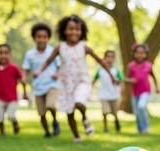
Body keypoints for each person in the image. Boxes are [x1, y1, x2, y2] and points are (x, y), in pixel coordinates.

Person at [34, 14, 116, 143]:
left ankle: (84, 118)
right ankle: (77, 136)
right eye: (71, 29)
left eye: (77, 29)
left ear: (82, 31)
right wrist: (39, 70)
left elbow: (101, 61)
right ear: (64, 31)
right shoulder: (60, 47)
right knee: (70, 111)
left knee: (79, 102)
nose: (74, 32)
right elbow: (49, 61)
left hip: (82, 81)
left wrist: (112, 76)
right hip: (66, 84)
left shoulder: (84, 47)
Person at [22, 22, 61, 138]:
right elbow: (26, 69)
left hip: (52, 85)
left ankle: (55, 121)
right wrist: (24, 77)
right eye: (39, 37)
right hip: (38, 86)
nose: (41, 39)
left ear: (48, 38)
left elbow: (61, 67)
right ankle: (47, 132)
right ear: (34, 38)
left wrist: (57, 74)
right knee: (41, 113)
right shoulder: (30, 54)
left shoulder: (53, 51)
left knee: (51, 105)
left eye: (44, 37)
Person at [0, 44, 28, 138]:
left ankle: (15, 123)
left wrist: (25, 92)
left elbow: (22, 80)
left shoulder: (14, 67)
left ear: (10, 54)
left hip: (12, 98)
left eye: (6, 53)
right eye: (1, 53)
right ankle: (2, 133)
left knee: (11, 116)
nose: (3, 55)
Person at [124, 43, 159, 134]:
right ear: (134, 53)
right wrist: (130, 81)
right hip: (135, 92)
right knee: (137, 112)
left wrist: (157, 87)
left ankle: (145, 128)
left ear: (146, 54)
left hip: (145, 91)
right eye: (138, 52)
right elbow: (125, 78)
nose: (140, 55)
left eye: (142, 52)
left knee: (141, 106)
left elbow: (153, 76)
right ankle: (140, 129)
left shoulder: (148, 65)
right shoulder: (130, 65)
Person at [92, 50, 124, 133]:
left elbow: (121, 80)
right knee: (105, 112)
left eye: (111, 57)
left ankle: (116, 121)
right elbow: (94, 79)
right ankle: (105, 128)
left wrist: (122, 88)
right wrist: (90, 87)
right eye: (108, 57)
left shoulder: (115, 70)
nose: (109, 59)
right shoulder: (100, 70)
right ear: (104, 58)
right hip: (103, 94)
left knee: (114, 112)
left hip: (114, 94)